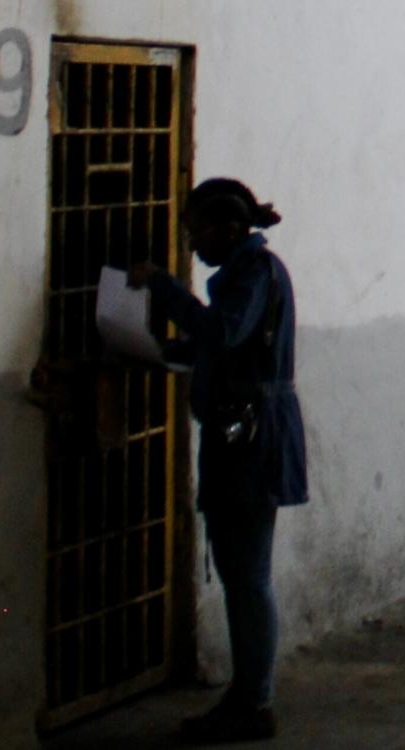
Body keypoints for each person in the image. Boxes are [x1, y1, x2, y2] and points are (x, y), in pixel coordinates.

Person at [129, 178, 306, 743]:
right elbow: (218, 344)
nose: (194, 245)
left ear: (230, 229)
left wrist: (166, 290)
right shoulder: (247, 274)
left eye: (198, 232)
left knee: (248, 577)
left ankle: (253, 701)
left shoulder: (254, 275)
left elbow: (224, 332)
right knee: (241, 575)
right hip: (246, 434)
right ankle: (248, 695)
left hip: (252, 439)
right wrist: (159, 352)